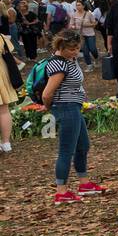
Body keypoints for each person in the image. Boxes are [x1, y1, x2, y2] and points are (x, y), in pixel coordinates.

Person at [40, 30, 106, 202]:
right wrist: (50, 108)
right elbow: (47, 94)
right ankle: (61, 191)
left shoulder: (70, 60)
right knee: (66, 150)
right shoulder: (58, 65)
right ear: (60, 47)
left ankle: (84, 183)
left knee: (83, 145)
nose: (75, 52)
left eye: (77, 48)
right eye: (71, 49)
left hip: (74, 107)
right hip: (65, 108)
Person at [0, 30, 19, 151]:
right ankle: (6, 143)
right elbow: (9, 53)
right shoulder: (1, 37)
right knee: (4, 110)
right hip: (1, 73)